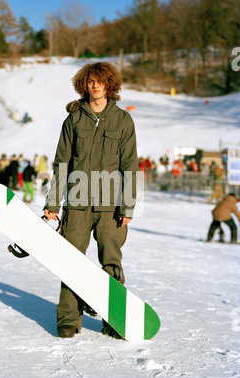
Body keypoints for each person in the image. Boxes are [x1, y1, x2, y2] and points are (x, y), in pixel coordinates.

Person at [43, 62, 138, 339]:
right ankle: (68, 320)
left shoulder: (123, 121)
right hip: (77, 202)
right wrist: (52, 204)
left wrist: (127, 205)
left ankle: (115, 319)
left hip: (111, 206)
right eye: (90, 81)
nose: (94, 86)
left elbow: (130, 166)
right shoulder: (73, 119)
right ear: (83, 85)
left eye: (99, 81)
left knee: (112, 263)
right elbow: (61, 163)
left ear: (110, 85)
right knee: (70, 261)